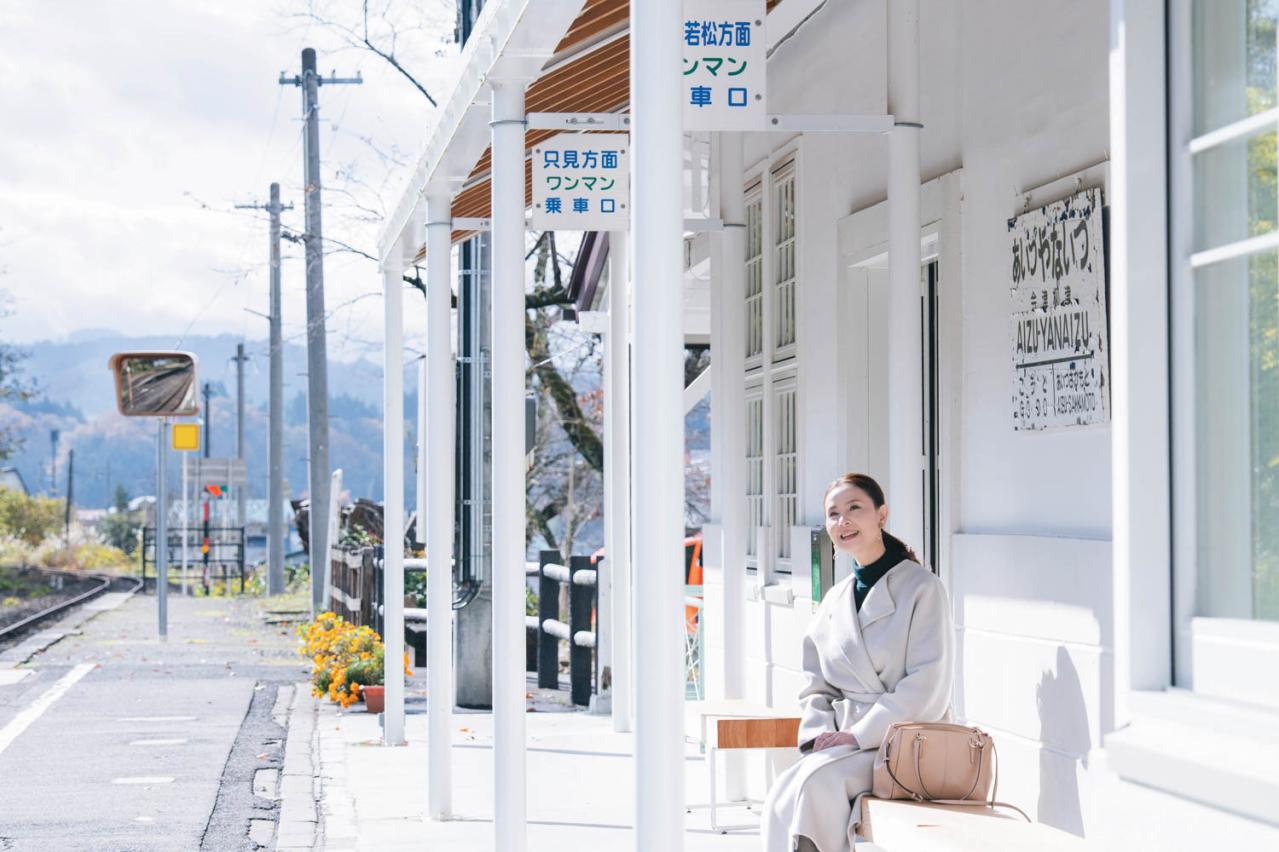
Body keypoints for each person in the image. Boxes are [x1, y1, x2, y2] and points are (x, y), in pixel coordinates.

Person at [760, 473, 954, 852]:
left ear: (881, 515)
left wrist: (858, 734)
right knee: (783, 792)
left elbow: (928, 684)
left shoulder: (922, 588)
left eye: (854, 509)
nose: (842, 521)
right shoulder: (836, 599)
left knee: (817, 786)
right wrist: (819, 735)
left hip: (905, 745)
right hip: (844, 745)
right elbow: (816, 683)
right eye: (833, 514)